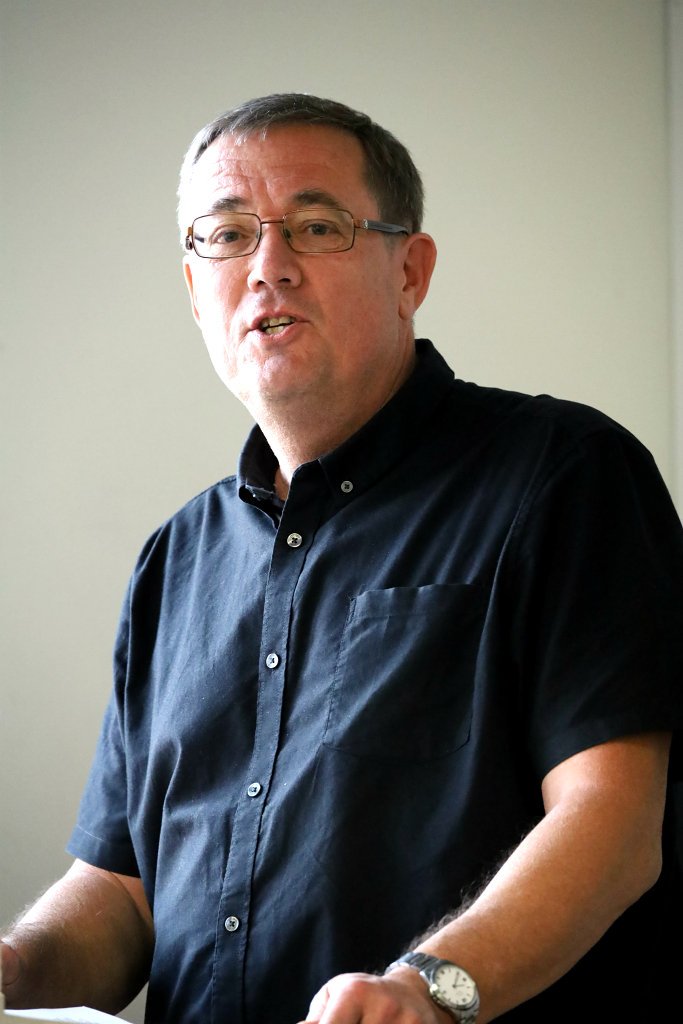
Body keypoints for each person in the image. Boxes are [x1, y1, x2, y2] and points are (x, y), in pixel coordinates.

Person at [2, 93, 683, 1024]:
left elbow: (611, 821)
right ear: (196, 291)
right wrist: (14, 966)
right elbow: (125, 894)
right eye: (227, 236)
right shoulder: (173, 560)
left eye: (316, 227)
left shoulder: (563, 474)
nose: (267, 266)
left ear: (409, 271)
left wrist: (427, 990)